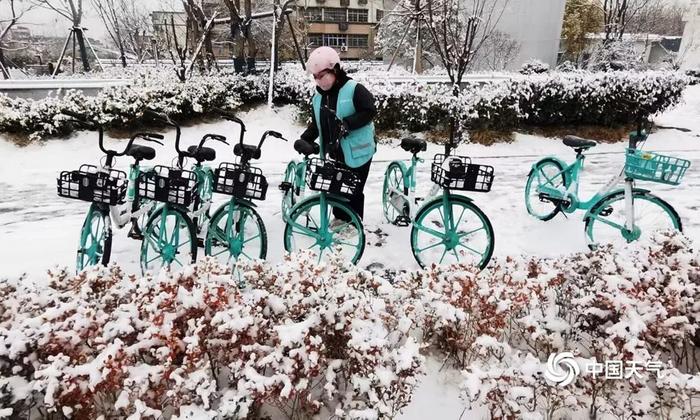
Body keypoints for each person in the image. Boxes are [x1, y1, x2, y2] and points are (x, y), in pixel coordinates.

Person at [296, 46, 377, 225]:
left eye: (322, 75)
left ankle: (354, 223)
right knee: (336, 187)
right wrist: (305, 138)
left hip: (358, 150)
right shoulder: (318, 98)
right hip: (335, 151)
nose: (319, 81)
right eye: (315, 77)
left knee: (353, 189)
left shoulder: (354, 89)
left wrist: (348, 123)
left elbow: (370, 110)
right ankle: (341, 219)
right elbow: (318, 124)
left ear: (335, 70)